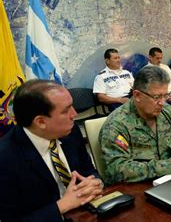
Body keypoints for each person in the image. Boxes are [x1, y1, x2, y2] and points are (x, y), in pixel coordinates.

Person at [0, 80, 103, 221]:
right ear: (40, 122)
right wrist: (61, 206)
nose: (74, 114)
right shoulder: (5, 158)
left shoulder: (70, 132)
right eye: (66, 110)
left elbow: (88, 170)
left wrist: (95, 183)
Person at [100, 66, 171, 185]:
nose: (163, 103)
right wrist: (168, 165)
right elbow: (117, 169)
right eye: (156, 97)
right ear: (137, 95)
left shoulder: (167, 112)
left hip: (167, 181)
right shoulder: (116, 124)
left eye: (166, 95)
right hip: (134, 188)